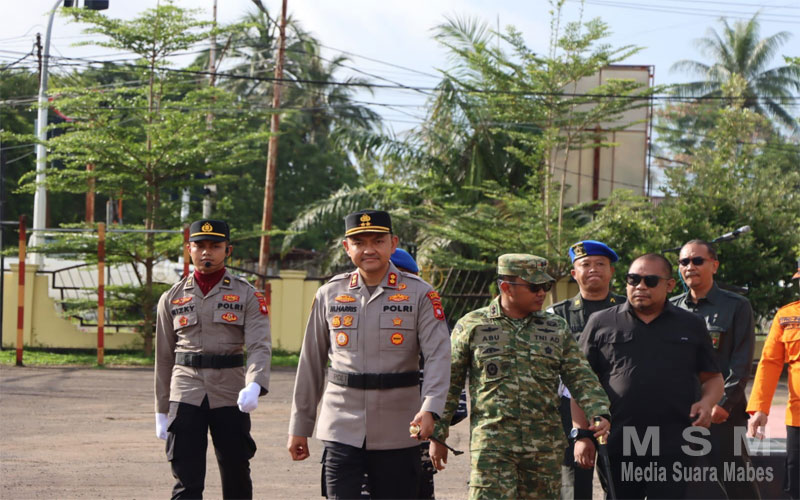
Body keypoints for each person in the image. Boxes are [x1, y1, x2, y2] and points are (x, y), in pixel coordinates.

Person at [287, 210, 451, 499]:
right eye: (359, 242)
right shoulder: (329, 294)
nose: (369, 249)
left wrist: (431, 409)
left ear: (393, 244)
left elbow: (438, 357)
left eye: (378, 241)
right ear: (346, 247)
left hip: (400, 428)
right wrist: (299, 426)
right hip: (341, 426)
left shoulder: (420, 295)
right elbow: (311, 362)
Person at [429, 253, 611, 499]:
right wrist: (438, 435)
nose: (542, 293)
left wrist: (598, 410)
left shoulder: (555, 327)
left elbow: (580, 375)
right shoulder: (472, 325)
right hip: (492, 447)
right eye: (534, 287)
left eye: (545, 286)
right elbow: (450, 384)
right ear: (506, 287)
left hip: (543, 449)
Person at [580, 253, 724, 499]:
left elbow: (712, 378)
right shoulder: (601, 322)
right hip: (618, 440)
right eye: (633, 279)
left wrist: (707, 402)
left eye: (650, 281)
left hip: (674, 441)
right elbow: (579, 381)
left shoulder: (691, 324)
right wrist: (582, 434)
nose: (640, 286)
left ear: (670, 285)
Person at [154, 219, 271, 499]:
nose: (207, 252)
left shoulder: (247, 294)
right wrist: (161, 409)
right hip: (185, 390)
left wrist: (254, 384)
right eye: (200, 245)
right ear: (189, 249)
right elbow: (164, 356)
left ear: (228, 250)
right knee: (186, 477)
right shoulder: (171, 297)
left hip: (230, 392)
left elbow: (259, 345)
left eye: (215, 246)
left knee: (236, 471)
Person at [671, 239, 759, 498]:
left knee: (737, 482)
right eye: (684, 262)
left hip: (722, 415)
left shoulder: (736, 306)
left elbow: (741, 363)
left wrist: (721, 404)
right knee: (667, 480)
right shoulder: (671, 308)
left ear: (715, 266)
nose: (690, 267)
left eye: (697, 260)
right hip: (679, 412)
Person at [549, 240, 625, 500]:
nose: (593, 269)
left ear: (611, 271)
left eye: (600, 264)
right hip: (569, 410)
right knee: (573, 485)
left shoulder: (628, 309)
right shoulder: (556, 315)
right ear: (574, 273)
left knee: (620, 484)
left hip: (618, 407)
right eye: (586, 264)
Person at [747, 258, 800, 500]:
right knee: (796, 484)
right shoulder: (786, 316)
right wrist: (760, 408)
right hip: (797, 419)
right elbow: (769, 363)